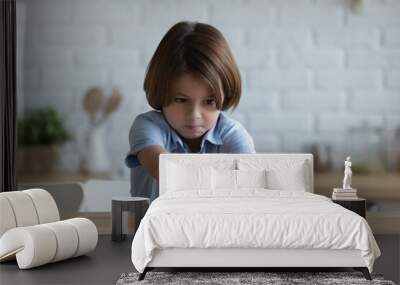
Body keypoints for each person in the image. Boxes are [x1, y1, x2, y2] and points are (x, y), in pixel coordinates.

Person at [125, 21, 256, 202]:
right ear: (161, 90)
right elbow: (162, 169)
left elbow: (250, 180)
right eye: (181, 100)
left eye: (209, 101)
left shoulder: (233, 133)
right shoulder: (146, 126)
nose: (194, 114)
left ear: (226, 94)